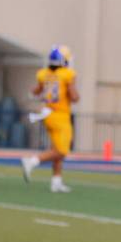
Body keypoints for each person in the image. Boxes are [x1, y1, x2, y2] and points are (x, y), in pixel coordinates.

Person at [21, 45, 79, 193]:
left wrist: (36, 94)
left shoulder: (44, 73)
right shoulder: (67, 74)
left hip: (47, 114)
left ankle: (56, 182)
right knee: (62, 151)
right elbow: (74, 97)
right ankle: (32, 161)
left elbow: (35, 91)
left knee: (55, 148)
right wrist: (73, 90)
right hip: (60, 116)